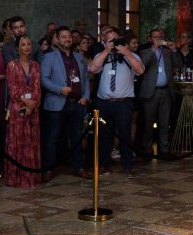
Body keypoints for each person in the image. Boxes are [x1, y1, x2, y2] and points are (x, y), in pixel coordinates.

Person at [88, 31, 145, 178]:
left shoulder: (131, 56)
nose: (113, 43)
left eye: (116, 40)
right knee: (104, 136)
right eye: (110, 41)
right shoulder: (102, 55)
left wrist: (127, 53)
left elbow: (140, 70)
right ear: (105, 42)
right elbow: (92, 69)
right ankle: (103, 165)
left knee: (125, 134)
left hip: (123, 103)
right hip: (104, 103)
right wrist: (107, 50)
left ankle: (127, 165)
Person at [40, 26, 91, 181]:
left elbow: (86, 78)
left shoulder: (78, 57)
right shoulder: (49, 57)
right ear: (56, 39)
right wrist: (59, 89)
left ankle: (78, 167)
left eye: (69, 36)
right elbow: (43, 79)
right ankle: (48, 169)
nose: (67, 39)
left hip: (76, 103)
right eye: (63, 36)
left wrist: (86, 96)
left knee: (77, 136)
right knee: (52, 137)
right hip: (56, 103)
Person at [3, 34, 43, 187]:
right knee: (18, 141)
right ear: (17, 48)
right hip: (17, 107)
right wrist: (25, 102)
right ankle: (16, 177)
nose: (27, 47)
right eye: (23, 45)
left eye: (28, 44)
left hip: (33, 108)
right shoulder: (12, 65)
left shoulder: (36, 65)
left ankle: (30, 177)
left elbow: (37, 87)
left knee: (31, 141)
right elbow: (12, 89)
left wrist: (32, 104)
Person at [135, 27, 181, 158]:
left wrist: (174, 49)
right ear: (150, 39)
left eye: (160, 37)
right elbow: (141, 67)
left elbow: (179, 64)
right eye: (155, 37)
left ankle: (164, 150)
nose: (158, 39)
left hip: (166, 91)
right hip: (150, 92)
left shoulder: (167, 52)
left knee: (164, 122)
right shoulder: (144, 52)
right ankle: (147, 150)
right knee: (148, 123)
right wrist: (154, 49)